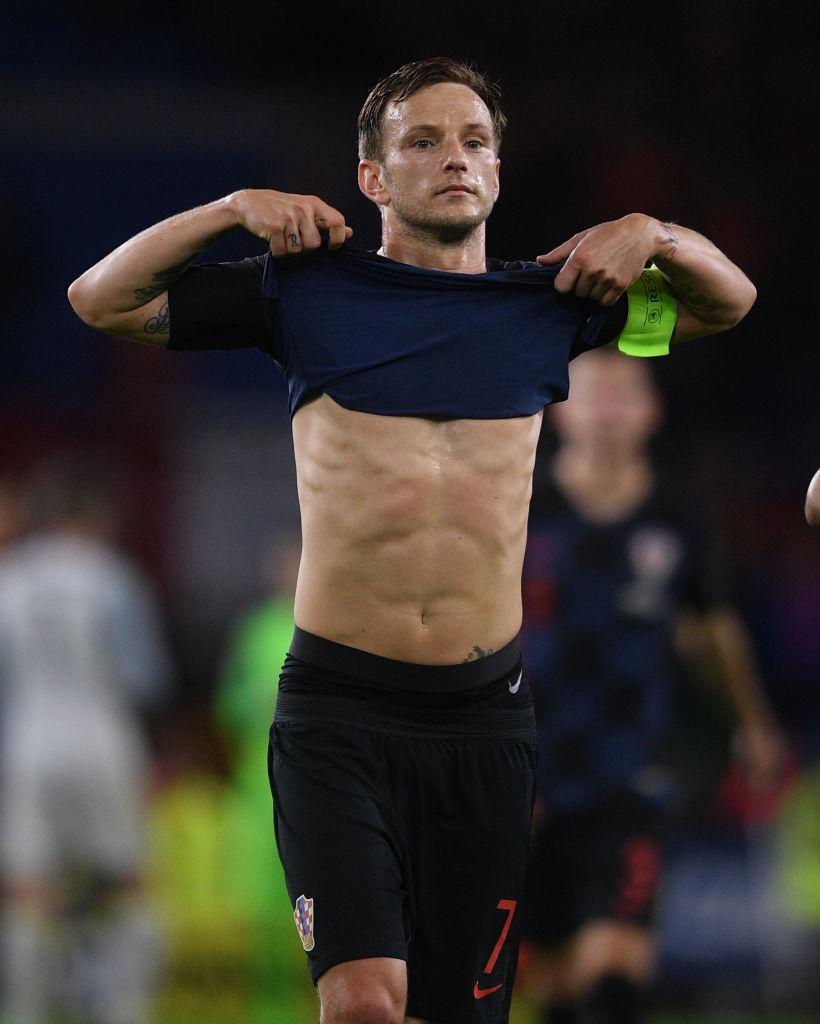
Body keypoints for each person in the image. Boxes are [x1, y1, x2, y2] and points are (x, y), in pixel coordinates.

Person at [67, 56, 757, 1024]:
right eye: (423, 141)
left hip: (485, 723)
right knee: (364, 1004)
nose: (455, 159)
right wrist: (228, 209)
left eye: (475, 141)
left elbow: (727, 302)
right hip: (339, 714)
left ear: (499, 171)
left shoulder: (555, 307)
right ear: (373, 177)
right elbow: (101, 299)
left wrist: (654, 232)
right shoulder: (303, 293)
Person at [515, 348, 784, 1024]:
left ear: (651, 411)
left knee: (616, 976)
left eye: (623, 394)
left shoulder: (677, 522)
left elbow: (713, 630)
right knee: (559, 987)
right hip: (530, 779)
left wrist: (753, 723)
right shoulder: (521, 512)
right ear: (559, 411)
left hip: (633, 778)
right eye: (593, 394)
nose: (608, 410)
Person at [0, 456, 173, 1024]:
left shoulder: (10, 578)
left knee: (29, 890)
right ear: (93, 518)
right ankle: (124, 1010)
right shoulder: (113, 576)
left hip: (27, 747)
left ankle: (25, 1009)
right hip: (104, 743)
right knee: (125, 883)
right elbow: (146, 678)